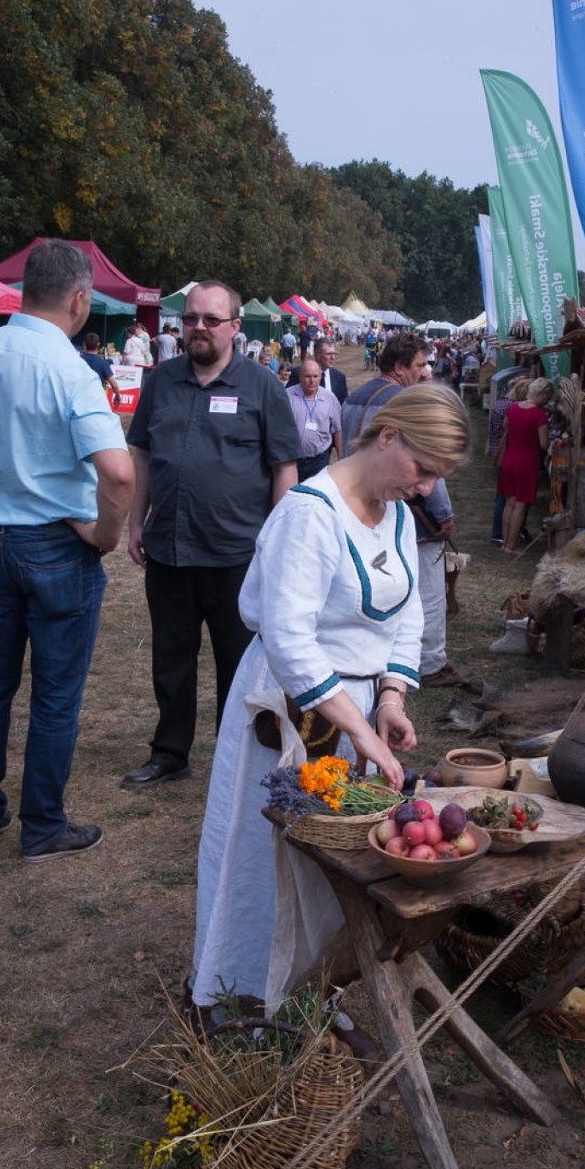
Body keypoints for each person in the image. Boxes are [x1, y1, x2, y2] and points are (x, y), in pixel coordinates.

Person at [189, 384, 470, 1012]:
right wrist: (361, 729)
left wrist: (391, 701)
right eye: (423, 469)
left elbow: (406, 619)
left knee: (334, 871)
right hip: (290, 714)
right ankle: (237, 1002)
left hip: (357, 714)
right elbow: (289, 639)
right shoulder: (309, 511)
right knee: (267, 865)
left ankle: (312, 1000)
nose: (426, 487)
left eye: (438, 477)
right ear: (388, 434)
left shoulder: (396, 511)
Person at [0, 238, 134, 862]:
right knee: (55, 697)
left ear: (23, 290)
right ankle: (41, 827)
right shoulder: (70, 368)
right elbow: (117, 472)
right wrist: (106, 535)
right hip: (56, 543)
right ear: (80, 300)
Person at [120, 281, 301, 790]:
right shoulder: (161, 382)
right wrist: (137, 522)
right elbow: (144, 457)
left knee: (236, 665)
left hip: (236, 555)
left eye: (211, 320)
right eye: (191, 318)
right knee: (171, 658)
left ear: (235, 328)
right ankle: (170, 752)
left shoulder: (263, 386)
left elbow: (284, 468)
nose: (198, 327)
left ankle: (233, 759)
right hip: (170, 550)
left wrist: (279, 544)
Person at [341, 333, 466, 687]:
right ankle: (430, 662)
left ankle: (385, 654)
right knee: (425, 587)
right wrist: (443, 514)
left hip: (363, 504)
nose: (424, 372)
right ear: (399, 368)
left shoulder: (356, 395)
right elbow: (427, 464)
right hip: (407, 507)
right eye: (419, 365)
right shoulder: (405, 401)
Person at [496, 375, 552, 554]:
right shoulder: (539, 415)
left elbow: (507, 427)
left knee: (509, 502)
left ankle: (505, 542)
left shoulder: (513, 408)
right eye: (548, 396)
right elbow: (543, 444)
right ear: (543, 393)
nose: (548, 400)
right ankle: (512, 545)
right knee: (520, 504)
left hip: (510, 457)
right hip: (527, 461)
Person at [286, 358, 343, 481]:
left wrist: (340, 457)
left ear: (320, 377)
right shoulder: (287, 396)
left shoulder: (329, 398)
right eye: (308, 376)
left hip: (319, 459)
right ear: (300, 377)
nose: (312, 381)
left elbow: (338, 430)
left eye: (315, 376)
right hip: (293, 459)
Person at [287, 337, 348, 404]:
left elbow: (343, 405)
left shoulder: (339, 377)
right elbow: (287, 399)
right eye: (329, 354)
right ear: (317, 355)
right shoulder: (299, 373)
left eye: (334, 354)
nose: (333, 357)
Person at [80, 332, 121, 407]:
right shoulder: (103, 363)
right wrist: (118, 397)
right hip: (96, 399)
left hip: (79, 397)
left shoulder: (77, 360)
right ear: (98, 344)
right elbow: (114, 385)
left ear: (84, 344)